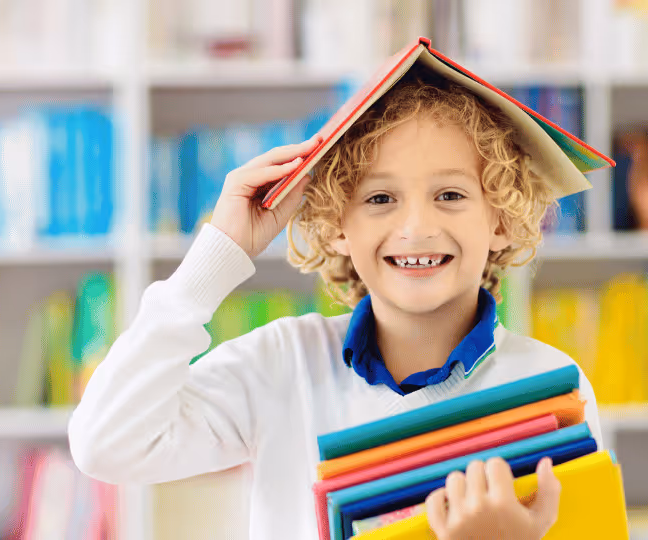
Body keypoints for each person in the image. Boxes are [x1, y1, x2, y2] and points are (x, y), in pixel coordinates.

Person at [68, 67, 604, 540]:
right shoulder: (281, 363)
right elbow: (105, 443)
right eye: (379, 199)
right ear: (336, 225)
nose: (416, 227)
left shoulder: (552, 385)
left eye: (450, 195)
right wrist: (218, 256)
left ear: (501, 221)